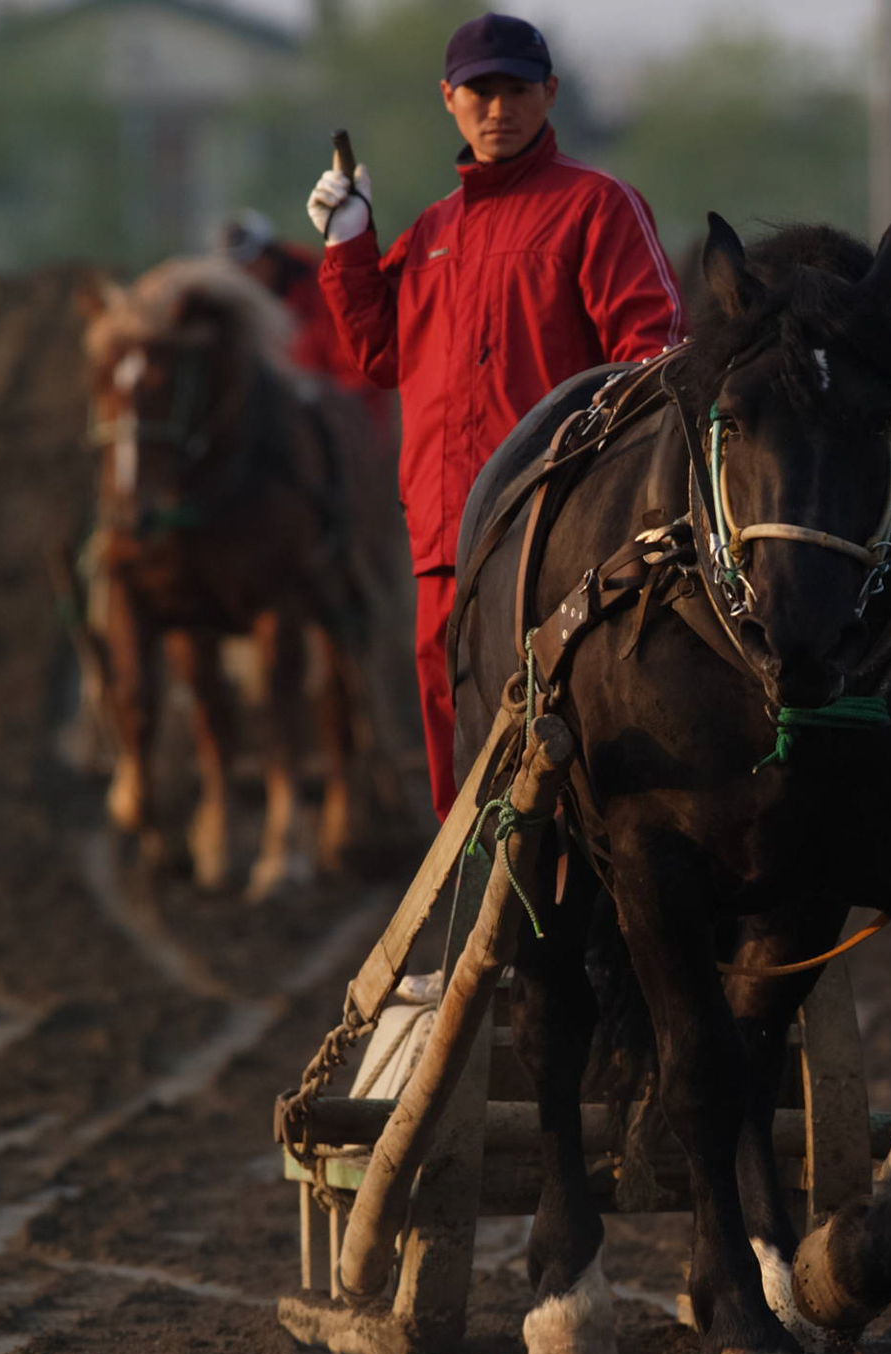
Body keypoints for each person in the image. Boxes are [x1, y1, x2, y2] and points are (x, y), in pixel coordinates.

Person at [306, 11, 684, 820]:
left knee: (570, 727)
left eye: (516, 89)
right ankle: (480, 903)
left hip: (557, 531)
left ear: (548, 94)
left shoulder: (597, 206)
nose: (498, 107)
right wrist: (349, 247)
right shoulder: (435, 231)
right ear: (449, 99)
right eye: (480, 91)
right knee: (460, 740)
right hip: (446, 538)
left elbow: (650, 353)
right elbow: (380, 356)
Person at [213, 209, 391, 438]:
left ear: (271, 256)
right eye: (238, 271)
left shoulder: (323, 289)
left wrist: (315, 390)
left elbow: (356, 367)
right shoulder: (237, 308)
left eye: (252, 265)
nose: (247, 278)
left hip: (342, 418)